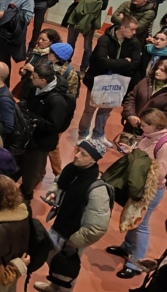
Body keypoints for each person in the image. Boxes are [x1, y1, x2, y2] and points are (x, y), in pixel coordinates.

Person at [34, 139, 113, 292]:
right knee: (51, 258)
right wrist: (55, 193)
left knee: (65, 268)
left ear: (94, 160)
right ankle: (55, 287)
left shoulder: (97, 189)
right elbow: (58, 181)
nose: (77, 155)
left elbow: (98, 227)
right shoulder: (73, 170)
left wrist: (73, 242)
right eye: (78, 150)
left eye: (83, 154)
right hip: (59, 225)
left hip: (73, 235)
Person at [107, 108, 167, 278]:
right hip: (139, 185)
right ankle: (127, 247)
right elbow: (142, 155)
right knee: (132, 216)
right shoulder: (149, 136)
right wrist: (131, 152)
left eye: (144, 125)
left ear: (154, 125)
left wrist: (138, 166)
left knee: (141, 223)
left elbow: (159, 173)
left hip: (150, 190)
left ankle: (136, 263)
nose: (141, 128)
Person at [78, 15, 141, 146]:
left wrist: (113, 63)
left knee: (106, 110)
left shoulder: (134, 43)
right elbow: (101, 61)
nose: (134, 33)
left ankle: (98, 134)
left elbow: (135, 63)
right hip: (97, 80)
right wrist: (124, 61)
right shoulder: (104, 39)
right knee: (90, 109)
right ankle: (82, 134)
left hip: (117, 81)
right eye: (132, 29)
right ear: (122, 28)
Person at [20, 62, 75, 201]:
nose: (31, 78)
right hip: (28, 135)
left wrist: (33, 118)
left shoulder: (57, 101)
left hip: (41, 142)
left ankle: (25, 195)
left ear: (43, 80)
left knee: (32, 170)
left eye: (34, 76)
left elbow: (53, 126)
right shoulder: (36, 87)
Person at [63, 0, 110, 71]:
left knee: (87, 46)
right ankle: (65, 63)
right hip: (77, 16)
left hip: (90, 20)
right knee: (70, 42)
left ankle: (84, 68)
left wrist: (87, 0)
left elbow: (104, 5)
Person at [14, 29, 63, 100]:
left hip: (38, 90)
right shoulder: (34, 51)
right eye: (39, 38)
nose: (40, 41)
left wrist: (33, 70)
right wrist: (22, 71)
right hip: (26, 85)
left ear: (51, 42)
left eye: (44, 40)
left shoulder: (51, 57)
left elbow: (49, 77)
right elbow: (26, 66)